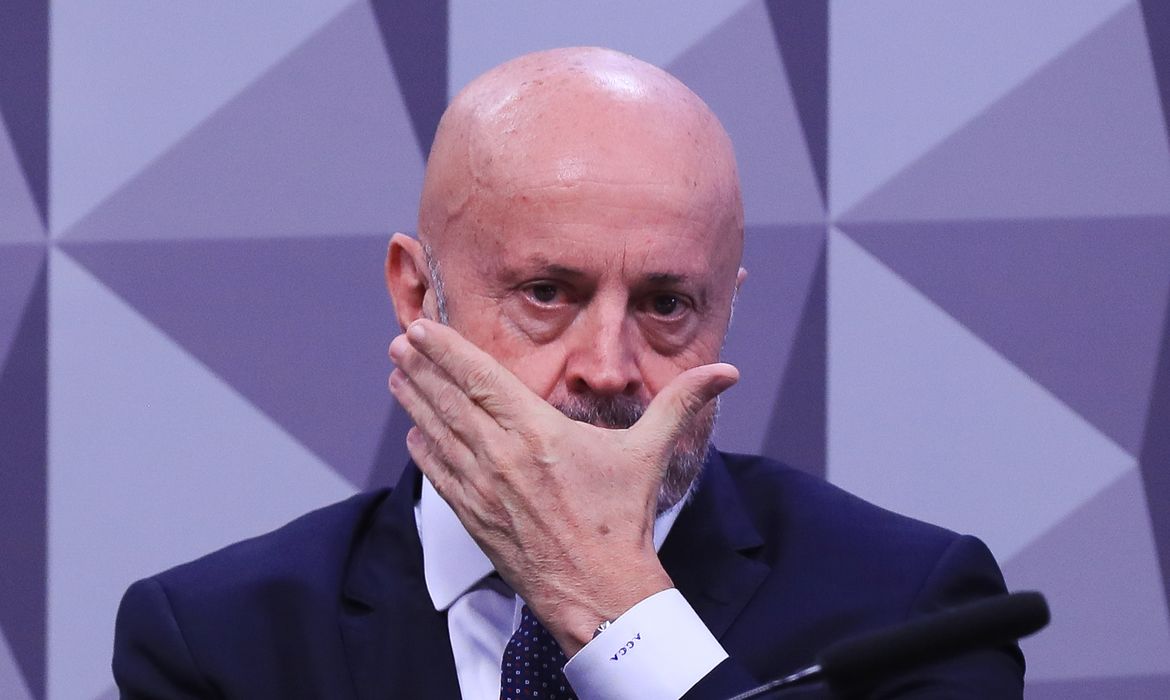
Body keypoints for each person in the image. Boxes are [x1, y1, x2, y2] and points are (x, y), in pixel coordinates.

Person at [112, 47, 1024, 699]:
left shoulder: (912, 609)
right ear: (417, 293)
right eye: (546, 293)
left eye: (667, 304)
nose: (608, 369)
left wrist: (618, 610)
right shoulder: (217, 642)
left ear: (727, 309)